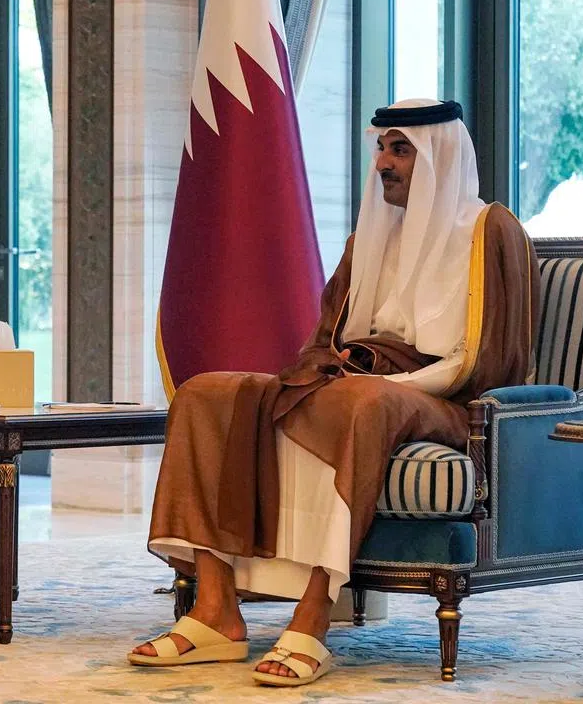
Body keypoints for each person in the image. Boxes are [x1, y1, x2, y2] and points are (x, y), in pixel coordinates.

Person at [127, 99, 538, 687]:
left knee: (359, 403)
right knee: (206, 394)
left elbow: (482, 358)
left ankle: (314, 616)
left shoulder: (488, 230)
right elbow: (327, 336)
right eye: (381, 148)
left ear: (439, 155)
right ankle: (215, 610)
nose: (384, 164)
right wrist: (330, 373)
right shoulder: (367, 236)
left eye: (401, 150)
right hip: (357, 382)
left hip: (448, 401)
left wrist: (382, 382)